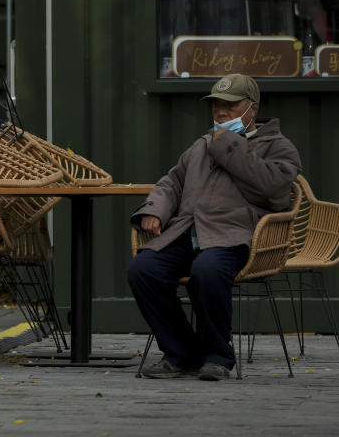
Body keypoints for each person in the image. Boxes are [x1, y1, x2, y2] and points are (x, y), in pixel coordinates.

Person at [126, 72, 302, 381]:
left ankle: (218, 355)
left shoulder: (277, 146)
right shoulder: (201, 145)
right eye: (216, 105)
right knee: (143, 269)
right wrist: (154, 211)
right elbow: (171, 183)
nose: (221, 112)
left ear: (252, 108)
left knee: (206, 270)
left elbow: (275, 189)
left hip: (236, 236)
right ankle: (182, 352)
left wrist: (230, 146)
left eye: (230, 106)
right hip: (187, 231)